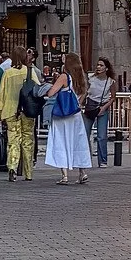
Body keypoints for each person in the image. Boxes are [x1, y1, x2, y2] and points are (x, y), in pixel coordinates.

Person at [44, 54, 92, 183]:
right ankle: (82, 172)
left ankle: (65, 175)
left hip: (62, 115)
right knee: (78, 142)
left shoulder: (64, 77)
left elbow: (51, 93)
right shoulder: (81, 77)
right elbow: (83, 93)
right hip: (76, 114)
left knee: (61, 141)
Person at [0, 48, 37, 180]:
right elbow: (37, 90)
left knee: (13, 140)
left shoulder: (8, 73)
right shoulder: (30, 72)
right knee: (28, 140)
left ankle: (12, 168)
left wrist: (0, 113)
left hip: (10, 110)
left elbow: (1, 95)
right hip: (28, 111)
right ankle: (28, 172)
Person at [85, 57, 116, 167]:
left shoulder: (110, 81)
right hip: (90, 105)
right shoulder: (91, 78)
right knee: (85, 133)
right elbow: (85, 92)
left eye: (101, 65)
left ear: (106, 68)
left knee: (101, 136)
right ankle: (85, 159)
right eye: (98, 65)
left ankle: (102, 160)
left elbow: (113, 97)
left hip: (103, 105)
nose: (98, 67)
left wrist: (104, 107)